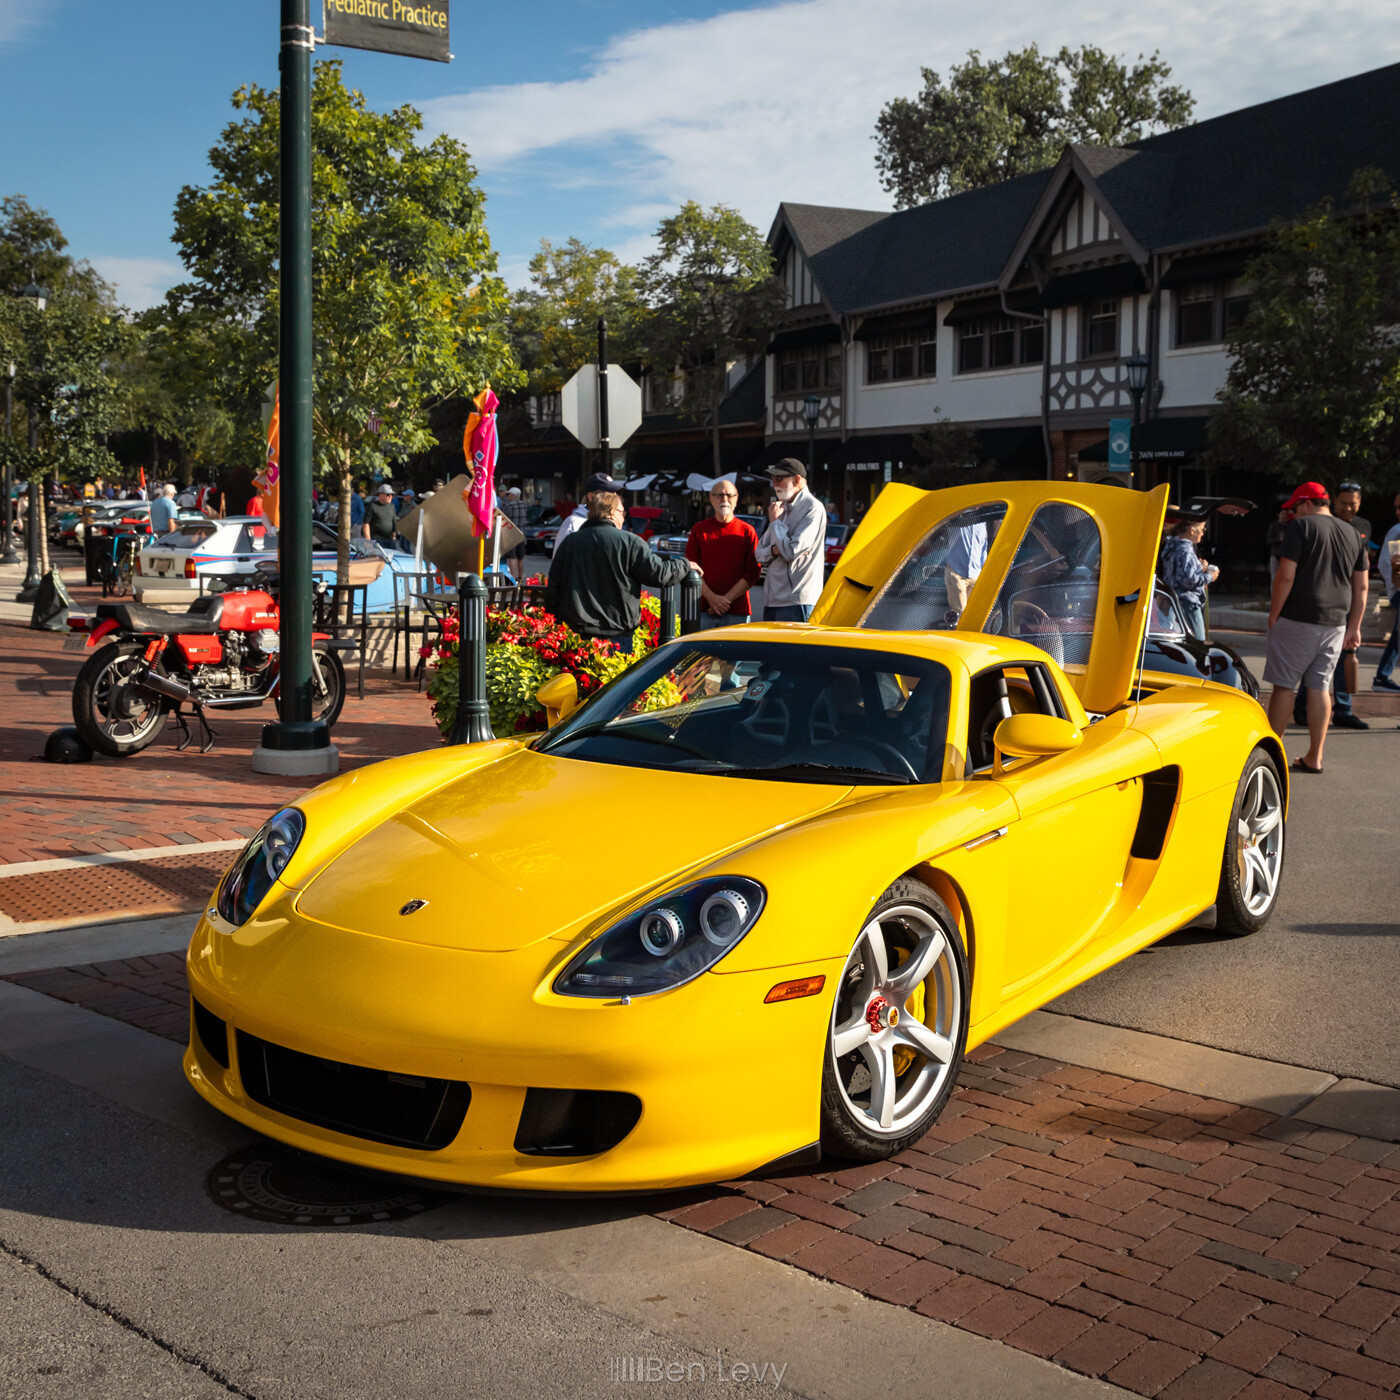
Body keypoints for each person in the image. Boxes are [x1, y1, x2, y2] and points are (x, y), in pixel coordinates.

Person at [1264, 481, 1369, 774]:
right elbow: (1361, 586)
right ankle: (1315, 756)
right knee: (1320, 687)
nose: (1293, 514)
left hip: (1297, 616)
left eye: (1296, 507)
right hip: (1336, 621)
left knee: (1284, 687)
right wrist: (1355, 627)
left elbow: (1285, 576)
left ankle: (1272, 755)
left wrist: (1274, 613)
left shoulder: (1300, 528)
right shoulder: (1352, 532)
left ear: (1308, 503)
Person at [545, 492, 699, 652]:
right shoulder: (630, 542)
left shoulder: (570, 542)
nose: (624, 518)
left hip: (576, 634)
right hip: (616, 635)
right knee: (617, 678)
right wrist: (685, 564)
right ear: (612, 512)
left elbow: (554, 588)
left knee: (577, 677)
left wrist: (554, 624)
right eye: (622, 512)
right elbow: (659, 574)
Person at [1293, 481, 1370, 729]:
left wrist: (1356, 622)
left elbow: (1362, 578)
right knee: (1315, 659)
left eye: (1353, 504)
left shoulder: (1362, 528)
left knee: (1344, 657)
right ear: (1334, 502)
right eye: (1344, 503)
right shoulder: (1316, 525)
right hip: (1319, 601)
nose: (1348, 508)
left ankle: (1343, 709)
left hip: (1344, 602)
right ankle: (1303, 707)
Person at [755, 458, 827, 622]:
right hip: (772, 600)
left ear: (797, 480)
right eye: (773, 479)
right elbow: (759, 554)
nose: (774, 484)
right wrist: (775, 550)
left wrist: (775, 523)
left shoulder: (813, 508)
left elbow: (790, 551)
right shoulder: (781, 508)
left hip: (798, 600)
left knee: (795, 648)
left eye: (779, 478)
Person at [685, 481, 760, 628]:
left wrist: (725, 601)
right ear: (711, 499)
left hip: (738, 612)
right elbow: (691, 568)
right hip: (704, 611)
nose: (724, 500)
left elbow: (753, 572)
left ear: (736, 500)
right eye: (719, 495)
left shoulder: (747, 531)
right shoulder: (699, 531)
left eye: (729, 495)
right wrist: (712, 599)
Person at [1159, 518, 1218, 640]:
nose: (1203, 533)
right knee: (1198, 641)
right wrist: (1210, 576)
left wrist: (1199, 567)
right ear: (1192, 531)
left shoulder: (1173, 546)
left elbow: (1179, 573)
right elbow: (1189, 580)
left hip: (1173, 599)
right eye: (1202, 529)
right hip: (1188, 601)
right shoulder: (1185, 549)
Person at [553, 472, 627, 554]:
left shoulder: (613, 520)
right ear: (591, 496)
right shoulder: (574, 523)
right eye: (608, 494)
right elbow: (560, 559)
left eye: (615, 493)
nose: (614, 497)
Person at [1372, 491, 1400, 692]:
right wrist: (1395, 588)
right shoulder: (1398, 531)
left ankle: (1382, 677)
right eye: (1396, 508)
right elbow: (1385, 563)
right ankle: (1382, 677)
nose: (1397, 512)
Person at [500, 486, 529, 581]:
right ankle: (520, 577)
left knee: (512, 557)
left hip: (512, 536)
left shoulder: (509, 506)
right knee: (521, 557)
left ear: (512, 495)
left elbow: (503, 519)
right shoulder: (524, 505)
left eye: (509, 495)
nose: (508, 496)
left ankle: (514, 579)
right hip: (522, 535)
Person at [363, 483, 400, 548]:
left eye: (392, 495)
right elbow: (366, 523)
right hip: (377, 540)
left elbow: (394, 523)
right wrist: (368, 541)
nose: (391, 497)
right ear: (381, 494)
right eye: (388, 494)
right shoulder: (372, 506)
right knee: (378, 558)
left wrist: (394, 537)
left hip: (390, 540)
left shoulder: (392, 506)